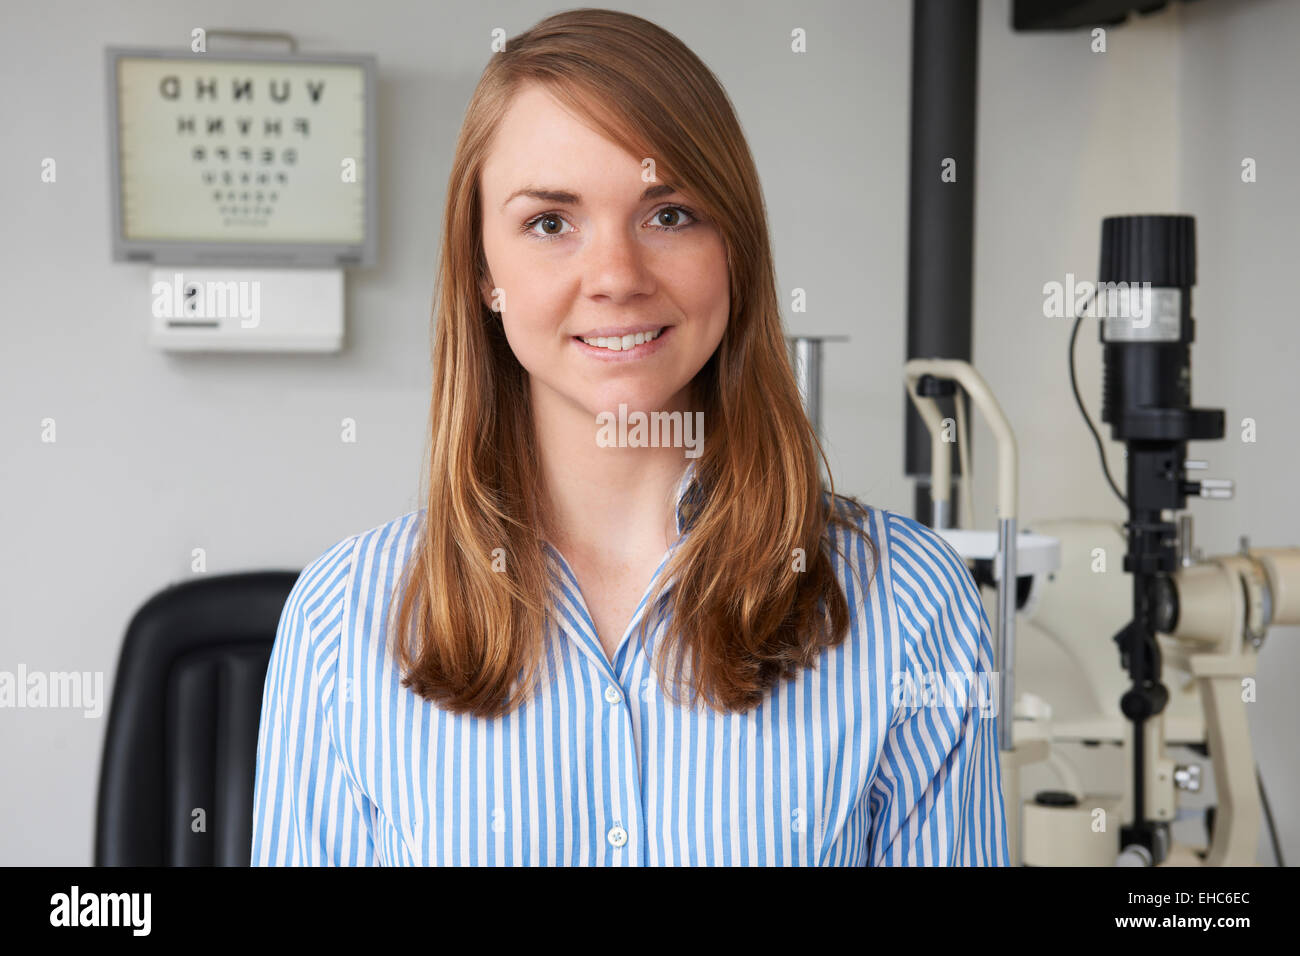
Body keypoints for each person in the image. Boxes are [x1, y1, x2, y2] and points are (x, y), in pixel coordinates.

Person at [251, 7, 1008, 866]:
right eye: (549, 223)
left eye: (670, 214)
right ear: (483, 272)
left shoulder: (908, 605)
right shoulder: (339, 621)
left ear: (736, 249)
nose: (616, 276)